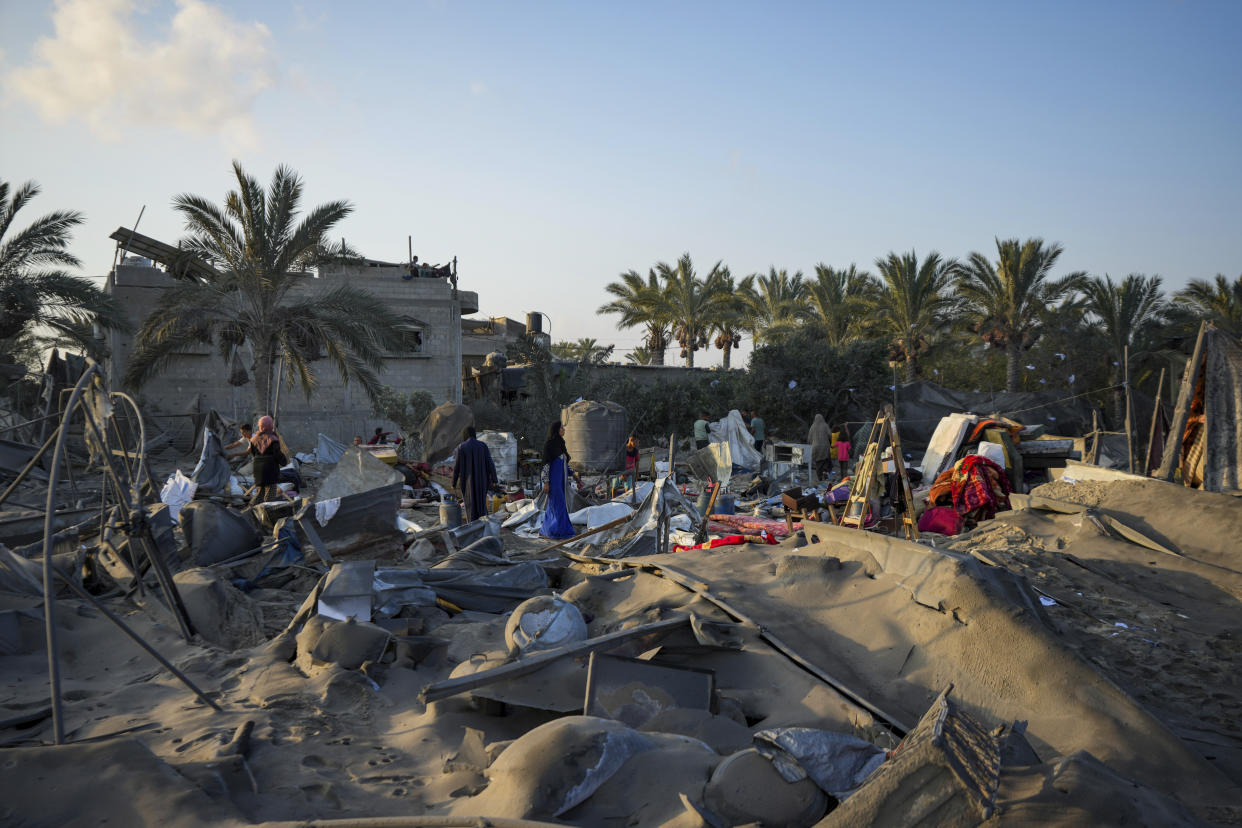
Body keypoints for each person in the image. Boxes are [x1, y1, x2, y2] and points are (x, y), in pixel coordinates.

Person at [540, 421, 577, 539]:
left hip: (561, 482)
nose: (564, 430)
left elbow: (564, 464)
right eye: (562, 428)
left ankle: (548, 531)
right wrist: (546, 482)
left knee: (553, 507)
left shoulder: (561, 444)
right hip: (554, 482)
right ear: (556, 430)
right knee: (559, 507)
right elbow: (546, 465)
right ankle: (561, 532)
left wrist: (574, 475)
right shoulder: (549, 445)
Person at [451, 426, 497, 521]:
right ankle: (483, 522)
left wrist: (453, 483)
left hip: (467, 482)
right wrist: (494, 480)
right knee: (481, 502)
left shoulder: (461, 447)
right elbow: (490, 463)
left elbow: (457, 467)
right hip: (482, 480)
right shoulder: (483, 446)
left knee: (469, 503)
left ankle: (472, 525)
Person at [249, 415, 287, 503]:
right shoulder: (272, 439)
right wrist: (284, 461)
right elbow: (277, 454)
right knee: (270, 495)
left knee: (260, 493)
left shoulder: (253, 439)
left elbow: (253, 453)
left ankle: (252, 509)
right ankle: (265, 514)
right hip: (270, 470)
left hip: (258, 470)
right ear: (270, 425)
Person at [808, 413, 832, 481]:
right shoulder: (825, 425)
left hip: (815, 447)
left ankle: (819, 477)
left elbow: (809, 438)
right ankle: (825, 472)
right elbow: (830, 435)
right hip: (825, 446)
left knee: (818, 462)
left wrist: (811, 445)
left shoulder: (812, 427)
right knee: (825, 460)